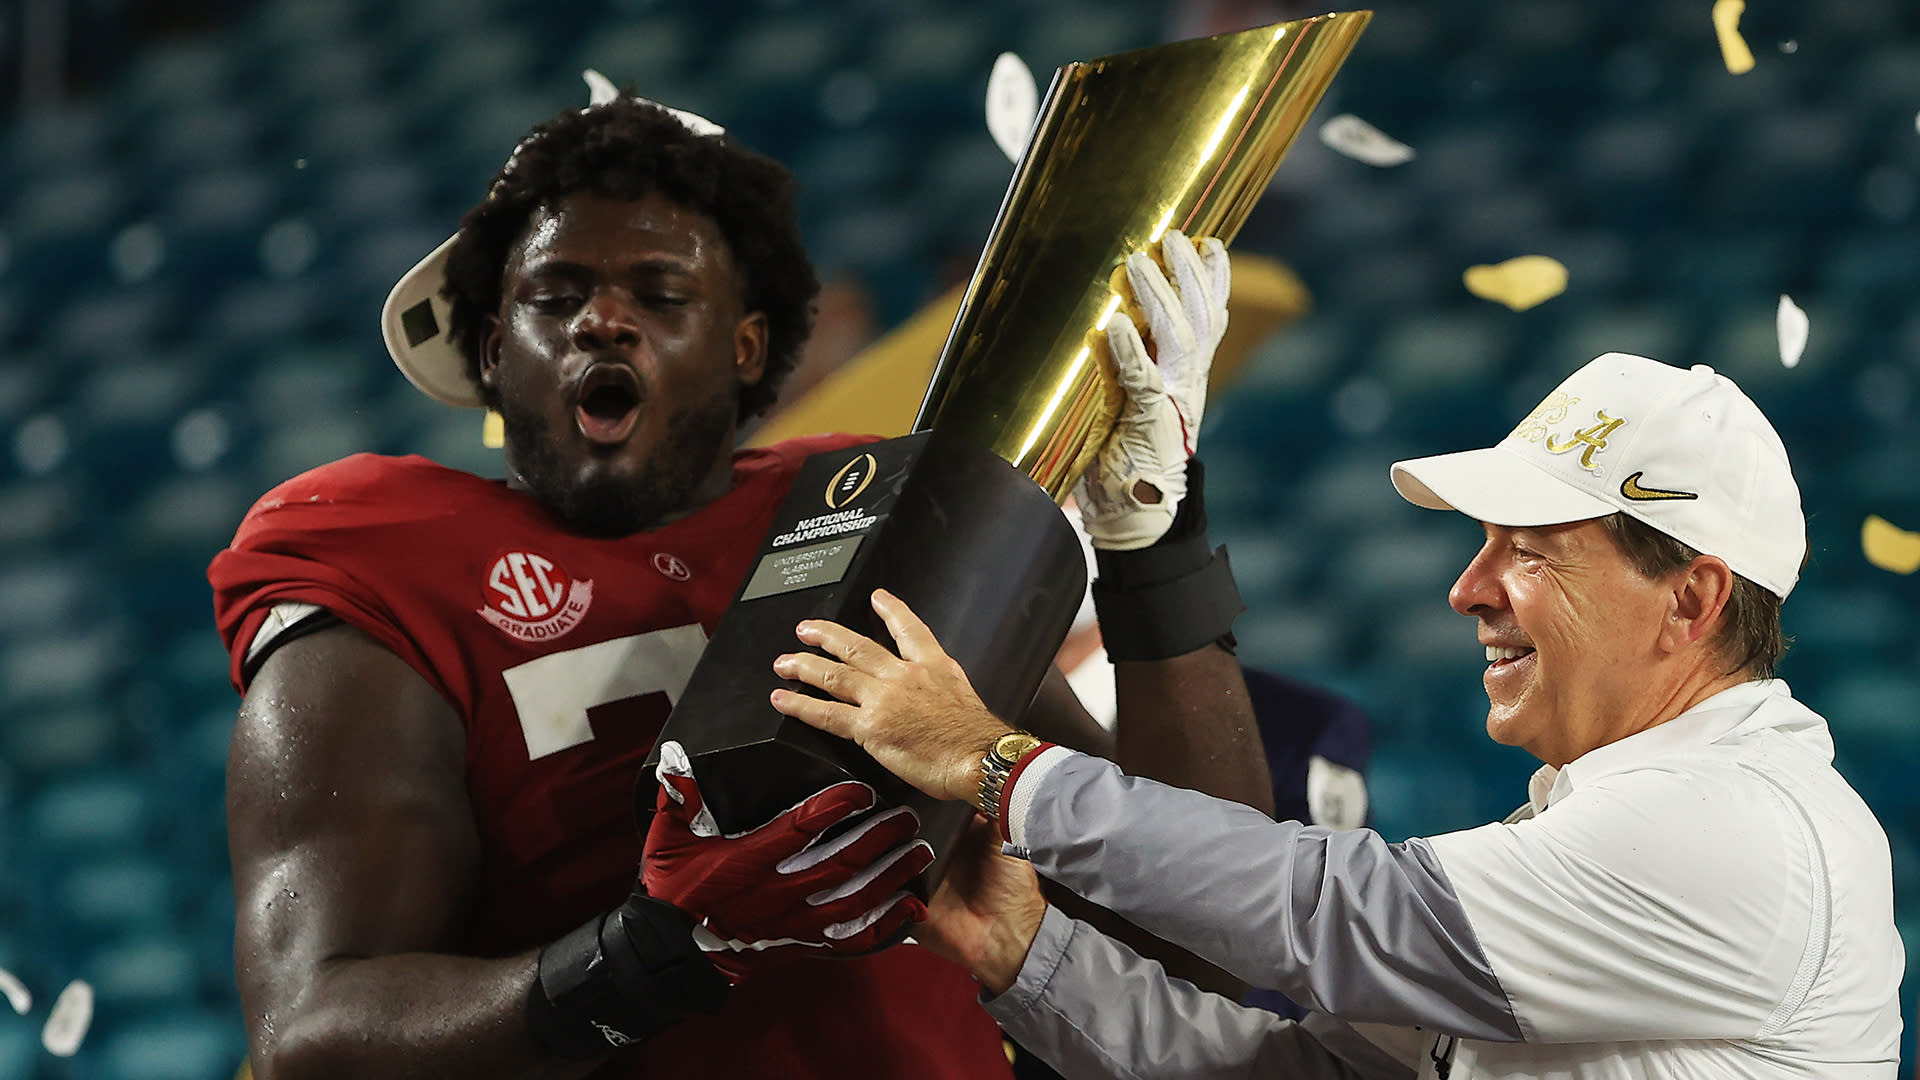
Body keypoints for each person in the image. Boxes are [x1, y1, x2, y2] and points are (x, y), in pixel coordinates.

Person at [206, 77, 1269, 1079]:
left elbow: (1205, 921)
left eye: (660, 292)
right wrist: (651, 954)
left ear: (748, 346)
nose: (601, 320)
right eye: (555, 294)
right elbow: (313, 1033)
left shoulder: (873, 516)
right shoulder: (386, 562)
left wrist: (1153, 541)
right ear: (493, 348)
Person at [769, 352, 1905, 1077]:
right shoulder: (1624, 821)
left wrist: (994, 764)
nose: (1468, 587)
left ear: (1692, 598)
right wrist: (1030, 952)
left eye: (1531, 552)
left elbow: (1335, 910)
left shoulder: (1742, 826)